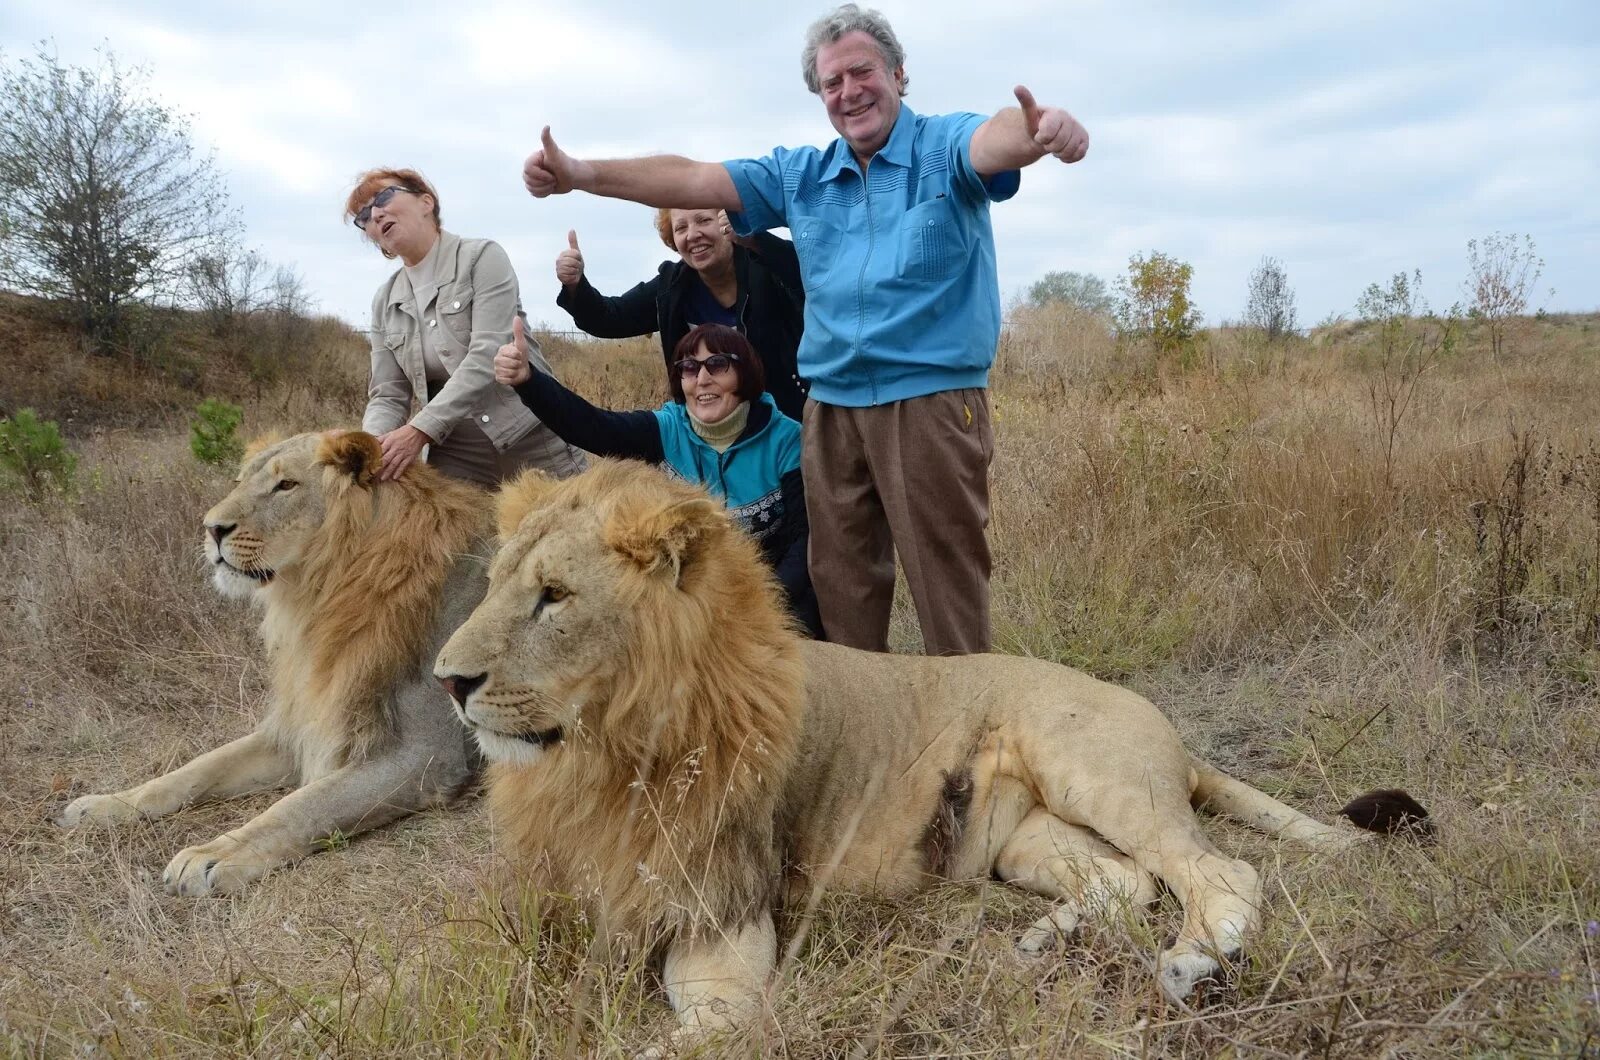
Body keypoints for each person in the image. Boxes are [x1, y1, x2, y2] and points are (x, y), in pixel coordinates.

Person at [516, 4, 1089, 656]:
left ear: (899, 74)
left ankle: (965, 749)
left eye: (861, 72)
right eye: (831, 84)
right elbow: (694, 176)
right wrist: (582, 175)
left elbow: (993, 139)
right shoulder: (804, 175)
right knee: (839, 587)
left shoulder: (942, 146)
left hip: (928, 406)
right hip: (831, 411)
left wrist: (1039, 131)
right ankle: (860, 743)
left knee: (945, 587)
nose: (848, 92)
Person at [493, 320, 823, 638]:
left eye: (718, 364)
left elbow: (805, 536)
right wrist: (528, 381)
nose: (702, 379)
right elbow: (591, 425)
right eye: (689, 368)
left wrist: (764, 601)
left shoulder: (786, 439)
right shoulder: (667, 429)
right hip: (688, 598)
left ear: (745, 373)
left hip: (773, 595)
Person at [347, 167, 586, 485]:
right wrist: (368, 450)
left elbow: (487, 353)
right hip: (456, 458)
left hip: (531, 440)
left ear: (426, 202)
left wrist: (419, 430)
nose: (375, 213)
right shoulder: (385, 301)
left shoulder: (481, 258)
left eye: (385, 197)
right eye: (363, 215)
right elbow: (388, 394)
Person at [554, 210, 810, 420]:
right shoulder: (672, 287)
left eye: (703, 220)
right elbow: (609, 318)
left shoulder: (769, 270)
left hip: (785, 424)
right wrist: (577, 285)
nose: (693, 235)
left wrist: (756, 239)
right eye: (681, 228)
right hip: (708, 428)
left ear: (728, 222)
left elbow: (805, 273)